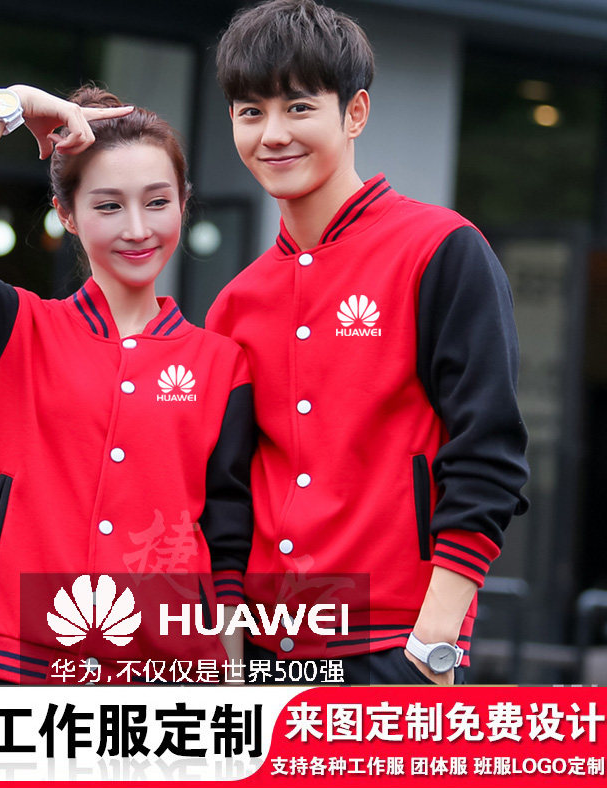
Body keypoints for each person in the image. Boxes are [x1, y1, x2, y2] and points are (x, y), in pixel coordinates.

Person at [206, 0, 529, 685]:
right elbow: (226, 496)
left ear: (354, 113)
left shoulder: (441, 250)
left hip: (396, 645)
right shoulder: (235, 305)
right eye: (250, 111)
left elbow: (488, 449)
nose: (273, 134)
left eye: (298, 107)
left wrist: (436, 637)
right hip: (263, 655)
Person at [0, 84, 254, 684]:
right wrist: (4, 110)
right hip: (18, 669)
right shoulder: (11, 333)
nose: (137, 228)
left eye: (157, 202)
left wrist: (230, 684)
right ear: (66, 214)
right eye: (108, 206)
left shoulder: (223, 364)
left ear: (183, 204)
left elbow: (228, 541)